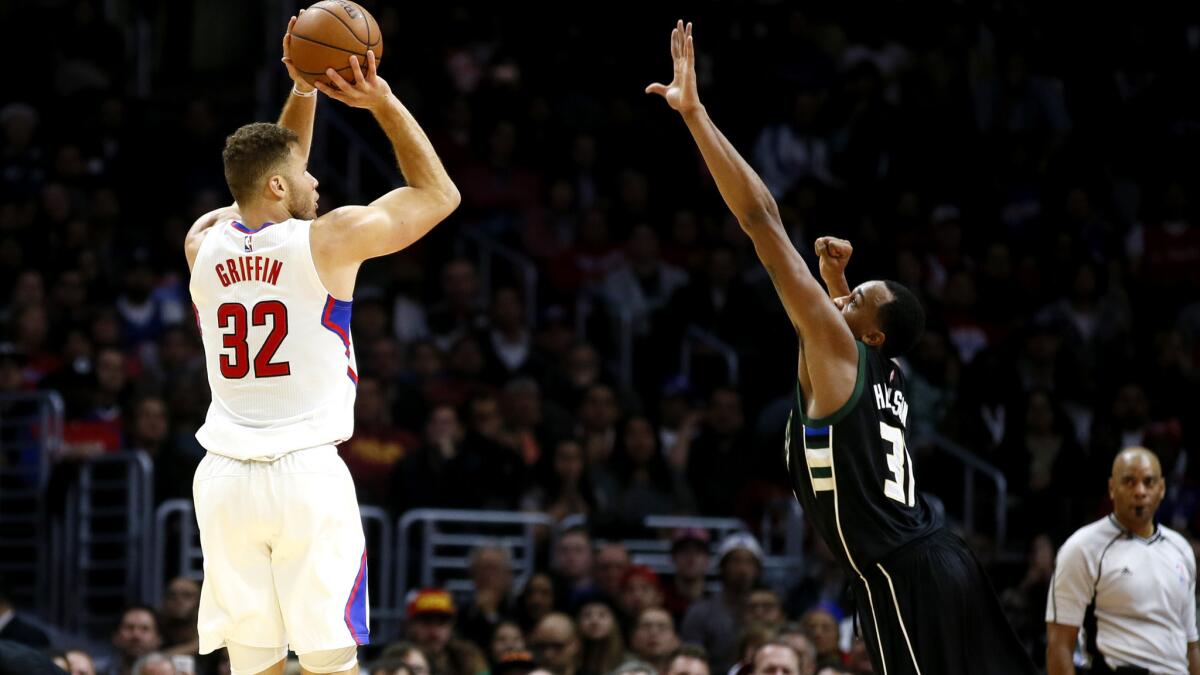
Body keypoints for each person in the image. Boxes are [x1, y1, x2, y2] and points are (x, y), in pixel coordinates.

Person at [646, 20, 1035, 675]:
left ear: (868, 332)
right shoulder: (882, 367)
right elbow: (851, 338)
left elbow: (761, 220)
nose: (838, 300)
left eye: (852, 301)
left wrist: (696, 115)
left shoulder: (841, 348)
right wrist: (839, 284)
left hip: (904, 570)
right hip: (931, 556)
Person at [184, 13, 458, 675]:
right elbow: (438, 194)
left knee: (254, 663)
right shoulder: (326, 239)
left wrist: (304, 89)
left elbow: (274, 171)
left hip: (222, 478)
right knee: (330, 661)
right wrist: (382, 101)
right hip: (303, 472)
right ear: (280, 185)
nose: (316, 182)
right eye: (304, 177)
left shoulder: (202, 241)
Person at [1046, 447, 1200, 674]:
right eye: (1129, 481)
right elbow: (1059, 645)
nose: (1140, 491)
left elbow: (1191, 644)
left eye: (1149, 482)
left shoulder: (1181, 549)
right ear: (1111, 488)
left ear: (1162, 489)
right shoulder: (1082, 548)